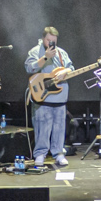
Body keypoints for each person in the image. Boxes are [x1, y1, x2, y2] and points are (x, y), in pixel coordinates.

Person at [23, 25, 73, 170]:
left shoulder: (61, 53)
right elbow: (29, 68)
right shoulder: (35, 51)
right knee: (42, 125)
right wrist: (45, 57)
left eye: (54, 41)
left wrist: (66, 71)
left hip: (59, 96)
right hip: (43, 95)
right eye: (49, 40)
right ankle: (40, 153)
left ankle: (58, 153)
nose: (51, 43)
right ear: (43, 39)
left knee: (59, 126)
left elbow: (71, 67)